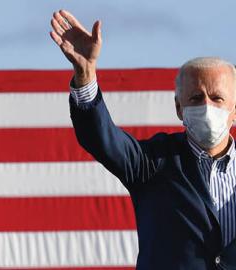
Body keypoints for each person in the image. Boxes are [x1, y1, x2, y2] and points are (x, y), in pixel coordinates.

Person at [50, 9, 236, 270]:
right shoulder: (152, 162)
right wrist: (85, 74)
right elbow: (101, 138)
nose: (206, 106)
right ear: (179, 108)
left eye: (217, 98)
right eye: (195, 98)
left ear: (234, 110)